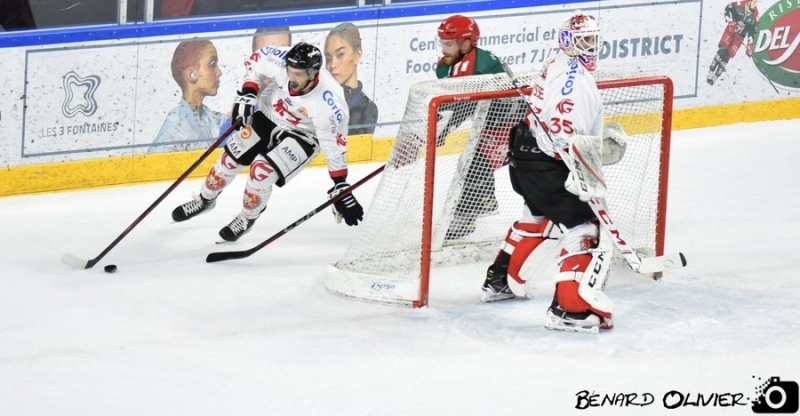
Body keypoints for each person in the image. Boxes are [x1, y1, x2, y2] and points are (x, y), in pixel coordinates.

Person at [481, 11, 619, 334]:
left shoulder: (559, 62)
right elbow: (565, 136)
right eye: (585, 40)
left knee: (537, 218)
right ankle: (570, 310)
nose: (591, 47)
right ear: (569, 41)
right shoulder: (577, 82)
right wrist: (584, 166)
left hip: (524, 158)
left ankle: (499, 281)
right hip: (548, 165)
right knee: (584, 228)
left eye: (594, 40)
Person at [171, 42, 364, 242]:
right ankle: (205, 199)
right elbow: (257, 61)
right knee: (229, 160)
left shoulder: (329, 104)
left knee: (260, 172)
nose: (292, 78)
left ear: (313, 73)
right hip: (270, 114)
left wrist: (340, 184)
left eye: (298, 74)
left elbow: (334, 146)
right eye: (290, 71)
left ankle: (247, 218)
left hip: (303, 136)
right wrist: (248, 92)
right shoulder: (281, 60)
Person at [433, 15, 523, 240]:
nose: (444, 49)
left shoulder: (485, 66)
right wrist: (443, 127)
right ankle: (485, 199)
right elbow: (461, 105)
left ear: (466, 43)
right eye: (442, 43)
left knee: (474, 163)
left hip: (513, 122)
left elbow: (504, 103)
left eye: (449, 44)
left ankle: (466, 218)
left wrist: (448, 125)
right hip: (489, 122)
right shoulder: (445, 68)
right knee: (475, 159)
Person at [148, 40, 226, 153]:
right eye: (212, 65)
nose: (219, 72)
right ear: (192, 75)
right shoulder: (175, 125)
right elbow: (152, 164)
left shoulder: (212, 118)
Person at [324, 22, 378, 136]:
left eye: (340, 54)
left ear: (357, 55)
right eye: (328, 58)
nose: (332, 65)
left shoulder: (366, 108)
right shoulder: (321, 97)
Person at [707, 0, 759, 85]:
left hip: (739, 37)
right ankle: (711, 70)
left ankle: (716, 76)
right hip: (730, 31)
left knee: (728, 56)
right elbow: (727, 9)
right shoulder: (739, 5)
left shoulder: (755, 15)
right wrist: (731, 23)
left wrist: (750, 45)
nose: (755, 4)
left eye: (756, 2)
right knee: (722, 50)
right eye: (754, 1)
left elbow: (752, 32)